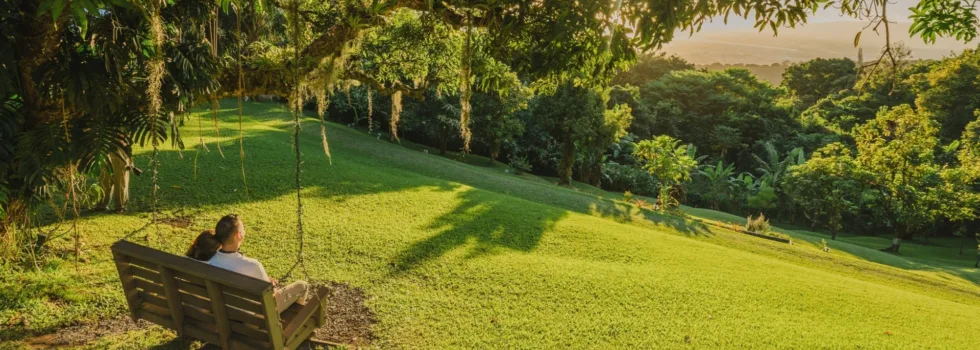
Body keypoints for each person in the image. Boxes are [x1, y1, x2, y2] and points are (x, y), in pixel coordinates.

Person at [192, 214, 309, 313]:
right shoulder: (253, 265)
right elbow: (271, 297)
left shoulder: (210, 261)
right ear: (239, 235)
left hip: (225, 313)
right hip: (253, 316)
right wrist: (270, 285)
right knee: (302, 285)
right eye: (243, 229)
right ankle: (289, 323)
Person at [95, 146, 142, 213]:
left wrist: (131, 163)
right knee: (104, 179)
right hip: (105, 150)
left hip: (120, 153)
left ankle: (120, 206)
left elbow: (127, 144)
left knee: (120, 182)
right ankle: (101, 205)